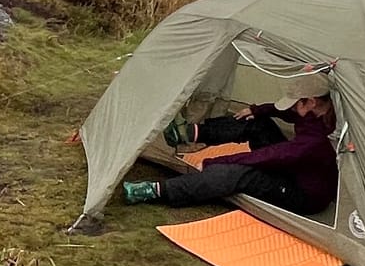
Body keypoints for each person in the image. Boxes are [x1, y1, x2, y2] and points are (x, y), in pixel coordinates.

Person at [120, 75, 338, 216]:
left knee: (239, 174)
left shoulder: (315, 142)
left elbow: (271, 156)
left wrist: (219, 161)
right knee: (257, 122)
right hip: (295, 168)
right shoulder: (314, 112)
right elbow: (283, 111)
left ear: (311, 102)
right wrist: (258, 110)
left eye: (295, 103)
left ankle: (156, 191)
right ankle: (187, 133)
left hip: (304, 195)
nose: (290, 108)